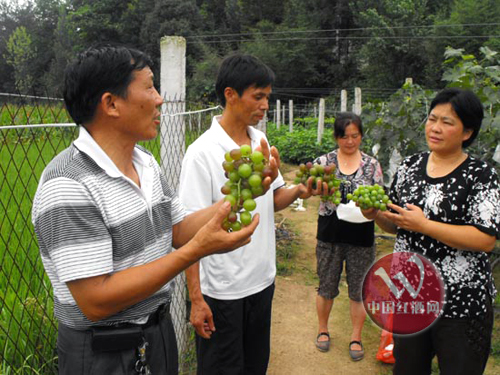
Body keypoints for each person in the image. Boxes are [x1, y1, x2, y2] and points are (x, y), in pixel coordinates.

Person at [31, 45, 260, 375]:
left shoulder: (146, 163)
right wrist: (196, 251)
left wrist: (242, 195)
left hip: (156, 333)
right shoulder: (67, 183)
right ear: (111, 104)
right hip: (103, 351)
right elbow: (96, 301)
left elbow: (178, 229)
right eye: (150, 86)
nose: (159, 99)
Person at [178, 53, 315, 374]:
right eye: (258, 97)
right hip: (221, 292)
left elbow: (273, 197)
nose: (265, 105)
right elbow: (188, 233)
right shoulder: (201, 153)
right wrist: (196, 299)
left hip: (262, 282)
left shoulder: (260, 141)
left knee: (255, 367)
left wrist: (299, 190)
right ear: (230, 94)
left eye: (268, 97)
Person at [362, 88, 499, 375]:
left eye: (447, 122)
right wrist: (374, 214)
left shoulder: (480, 175)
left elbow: (485, 239)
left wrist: (425, 225)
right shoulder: (410, 166)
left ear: (466, 132)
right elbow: (396, 223)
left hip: (461, 302)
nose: (435, 128)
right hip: (410, 297)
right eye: (432, 118)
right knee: (408, 368)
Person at [312, 112, 384, 361]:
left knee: (359, 289)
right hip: (330, 233)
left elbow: (379, 200)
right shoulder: (324, 162)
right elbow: (308, 188)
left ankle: (356, 336)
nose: (350, 141)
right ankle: (323, 329)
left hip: (362, 235)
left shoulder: (372, 165)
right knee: (326, 285)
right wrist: (317, 189)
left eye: (355, 136)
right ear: (336, 137)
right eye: (345, 136)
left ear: (361, 136)